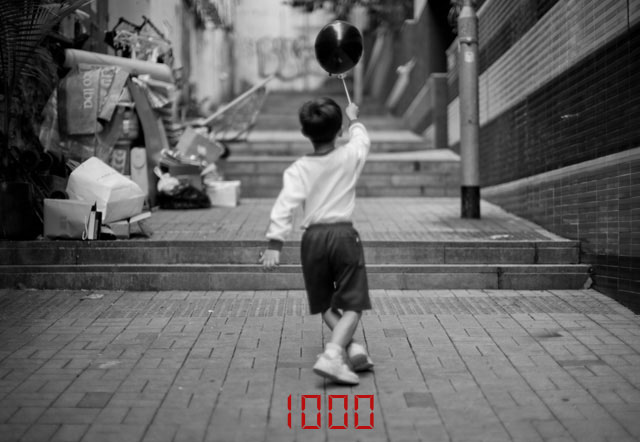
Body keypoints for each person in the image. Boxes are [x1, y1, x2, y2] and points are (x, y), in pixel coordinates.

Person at [260, 97, 374, 385]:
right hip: (343, 236)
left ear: (304, 133)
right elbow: (362, 141)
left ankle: (351, 346)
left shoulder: (298, 169)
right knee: (353, 304)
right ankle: (333, 354)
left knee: (324, 302)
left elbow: (285, 205)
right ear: (338, 132)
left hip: (311, 239)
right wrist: (354, 119)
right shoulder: (349, 156)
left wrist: (275, 243)